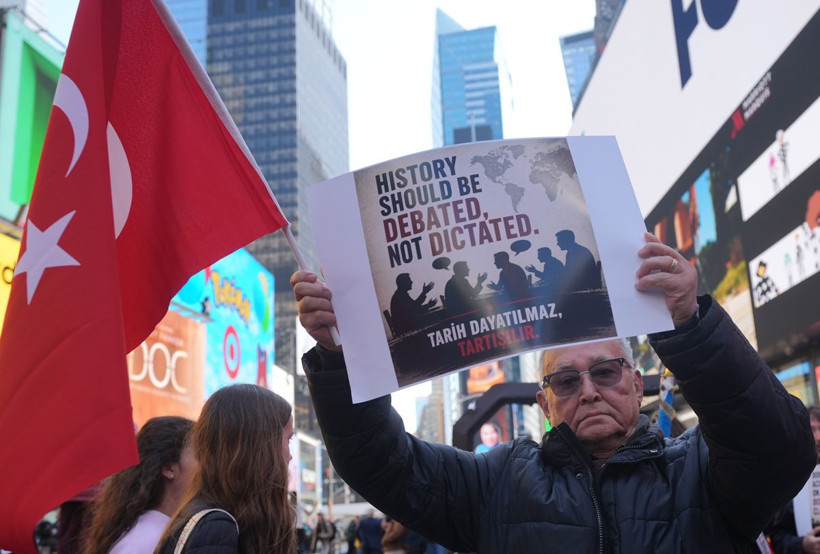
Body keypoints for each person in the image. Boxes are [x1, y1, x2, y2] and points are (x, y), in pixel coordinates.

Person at [291, 232, 816, 552]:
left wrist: (690, 323)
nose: (588, 391)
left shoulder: (700, 470)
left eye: (606, 372)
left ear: (637, 384)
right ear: (543, 404)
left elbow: (782, 449)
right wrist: (340, 359)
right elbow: (381, 464)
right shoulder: (497, 483)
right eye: (566, 380)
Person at [156, 384, 295, 553]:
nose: (290, 455)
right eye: (288, 440)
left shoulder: (215, 517)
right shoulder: (216, 527)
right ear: (261, 447)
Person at [83, 416, 195, 554]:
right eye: (200, 455)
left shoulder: (159, 531)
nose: (207, 466)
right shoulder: (144, 540)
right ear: (169, 469)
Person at [765, 406, 820, 554]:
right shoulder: (790, 481)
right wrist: (801, 544)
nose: (818, 437)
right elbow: (777, 536)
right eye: (812, 430)